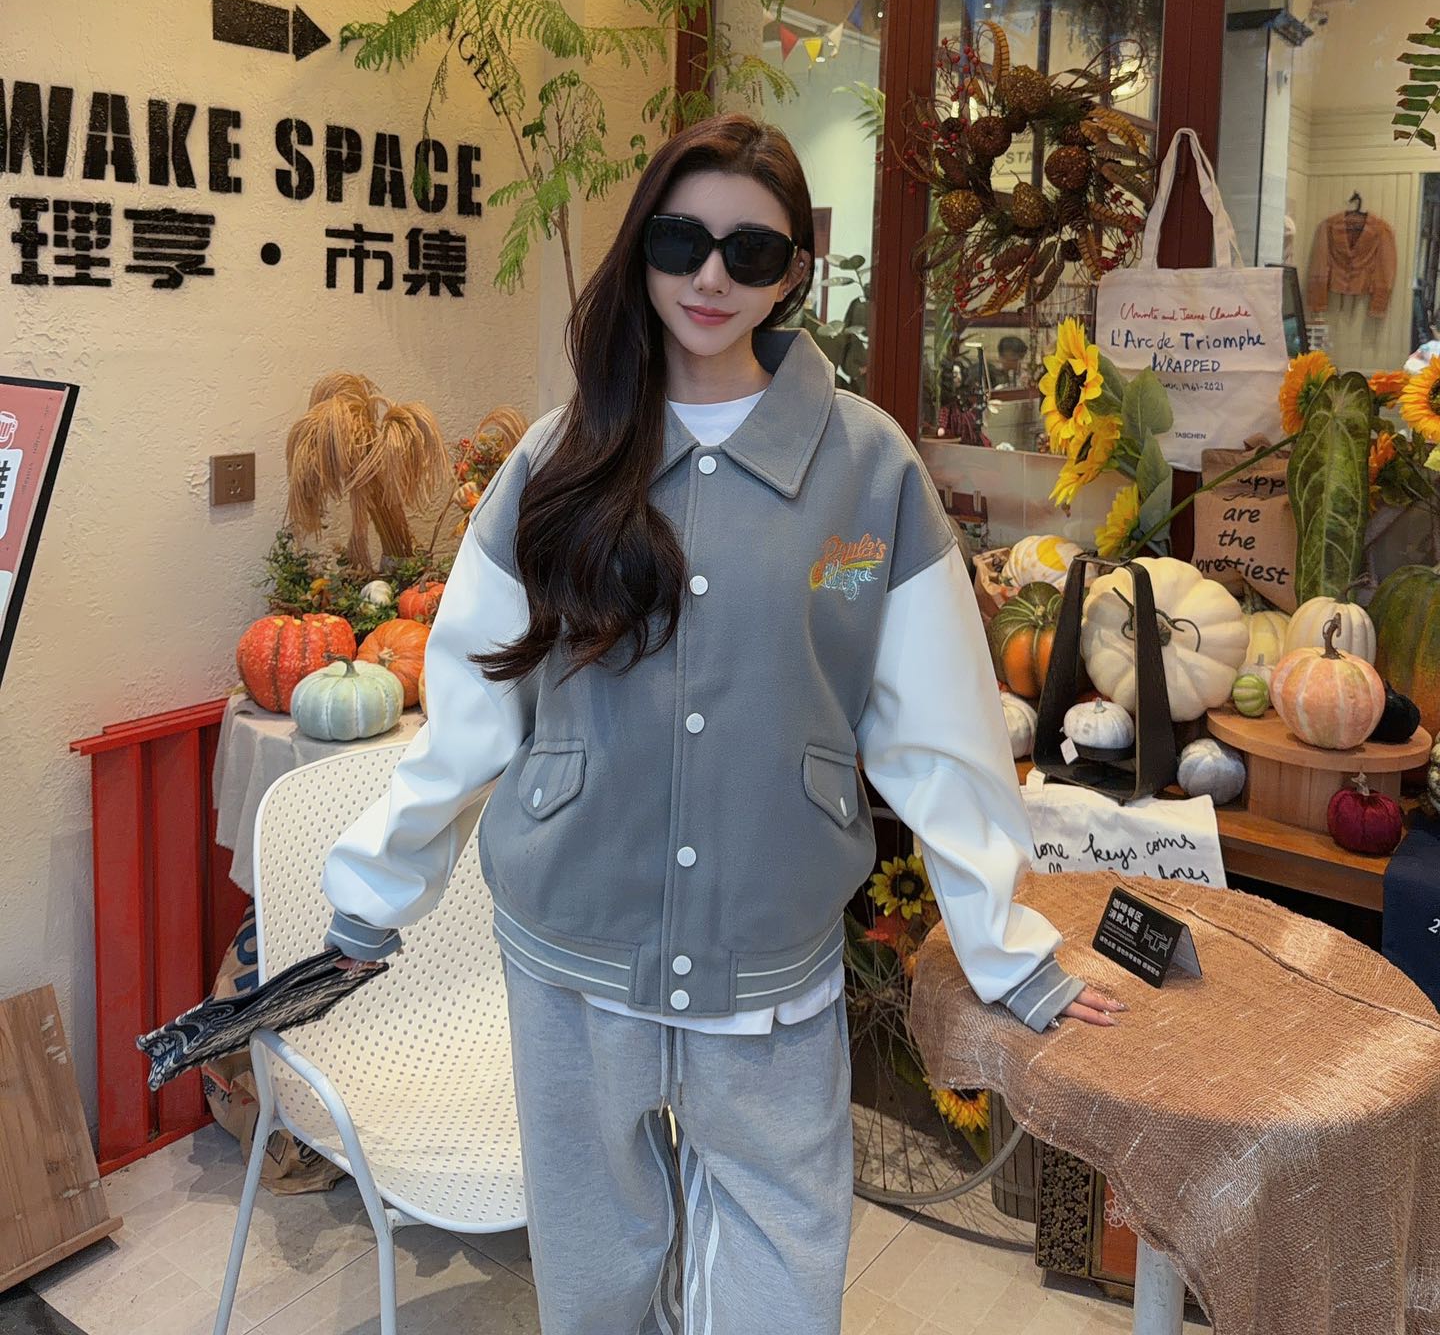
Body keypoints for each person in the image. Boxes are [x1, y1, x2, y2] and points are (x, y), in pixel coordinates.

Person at [320, 113, 1122, 1335]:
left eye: (750, 252)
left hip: (770, 943)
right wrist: (376, 889)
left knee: (782, 1279)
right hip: (572, 938)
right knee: (594, 1277)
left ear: (794, 271)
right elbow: (475, 704)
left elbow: (939, 730)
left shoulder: (868, 473)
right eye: (681, 240)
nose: (709, 276)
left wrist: (1010, 947)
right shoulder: (561, 456)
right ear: (643, 244)